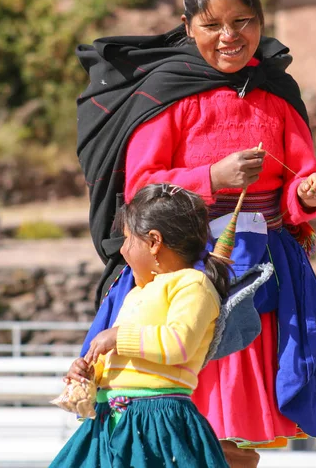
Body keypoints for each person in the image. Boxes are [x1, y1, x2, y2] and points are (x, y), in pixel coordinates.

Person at [75, 0, 316, 468]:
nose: (230, 36)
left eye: (243, 21)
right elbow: (140, 189)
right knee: (171, 421)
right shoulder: (166, 95)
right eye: (212, 25)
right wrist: (212, 179)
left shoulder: (277, 97)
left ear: (261, 21)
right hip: (181, 272)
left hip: (260, 278)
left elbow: (298, 179)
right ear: (188, 27)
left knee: (237, 437)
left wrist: (310, 193)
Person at [49, 183, 231, 468]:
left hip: (159, 422)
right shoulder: (136, 293)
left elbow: (178, 344)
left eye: (126, 239)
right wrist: (89, 373)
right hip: (111, 420)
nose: (122, 249)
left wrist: (119, 337)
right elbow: (121, 362)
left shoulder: (193, 286)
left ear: (154, 241)